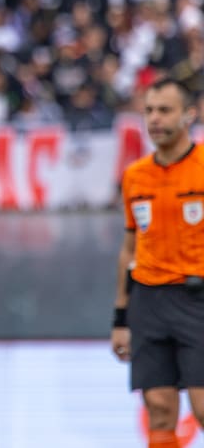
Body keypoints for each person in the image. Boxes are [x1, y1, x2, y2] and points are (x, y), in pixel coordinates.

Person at [111, 78, 204, 448]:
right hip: (148, 302)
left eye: (165, 110)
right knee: (160, 408)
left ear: (188, 116)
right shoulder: (135, 176)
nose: (155, 119)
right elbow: (128, 247)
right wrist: (120, 317)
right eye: (149, 110)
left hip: (197, 300)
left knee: (201, 407)